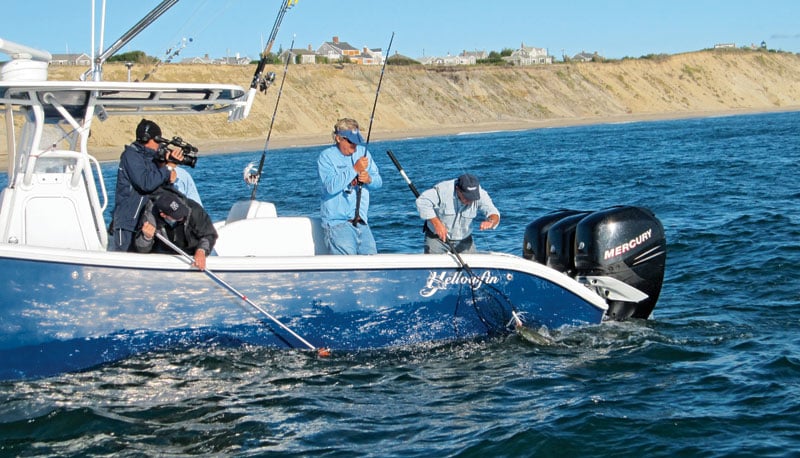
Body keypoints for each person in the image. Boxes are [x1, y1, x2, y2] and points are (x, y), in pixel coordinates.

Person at [109, 119, 184, 252]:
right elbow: (145, 184)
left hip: (147, 222)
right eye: (158, 141)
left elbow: (157, 188)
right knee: (126, 262)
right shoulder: (130, 156)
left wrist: (168, 174)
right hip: (128, 222)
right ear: (148, 139)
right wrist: (168, 167)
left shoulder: (151, 158)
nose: (159, 145)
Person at [317, 118, 382, 255]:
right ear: (338, 138)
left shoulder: (364, 153)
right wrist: (354, 169)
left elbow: (378, 182)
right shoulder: (326, 157)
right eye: (351, 142)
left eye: (357, 142)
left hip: (362, 223)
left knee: (372, 267)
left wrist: (369, 179)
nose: (355, 147)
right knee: (347, 270)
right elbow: (330, 187)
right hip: (338, 225)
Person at [416, 173, 500, 254]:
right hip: (436, 238)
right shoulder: (443, 190)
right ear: (458, 189)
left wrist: (491, 221)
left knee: (471, 264)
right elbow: (422, 201)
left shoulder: (480, 194)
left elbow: (493, 212)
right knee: (433, 266)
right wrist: (437, 224)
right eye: (467, 197)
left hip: (464, 239)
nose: (470, 201)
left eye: (472, 198)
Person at [135, 189, 217, 270]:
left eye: (181, 211)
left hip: (191, 253)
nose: (182, 216)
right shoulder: (150, 217)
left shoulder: (194, 209)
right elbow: (141, 249)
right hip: (164, 256)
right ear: (163, 215)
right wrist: (146, 237)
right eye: (176, 215)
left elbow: (208, 234)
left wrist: (201, 250)